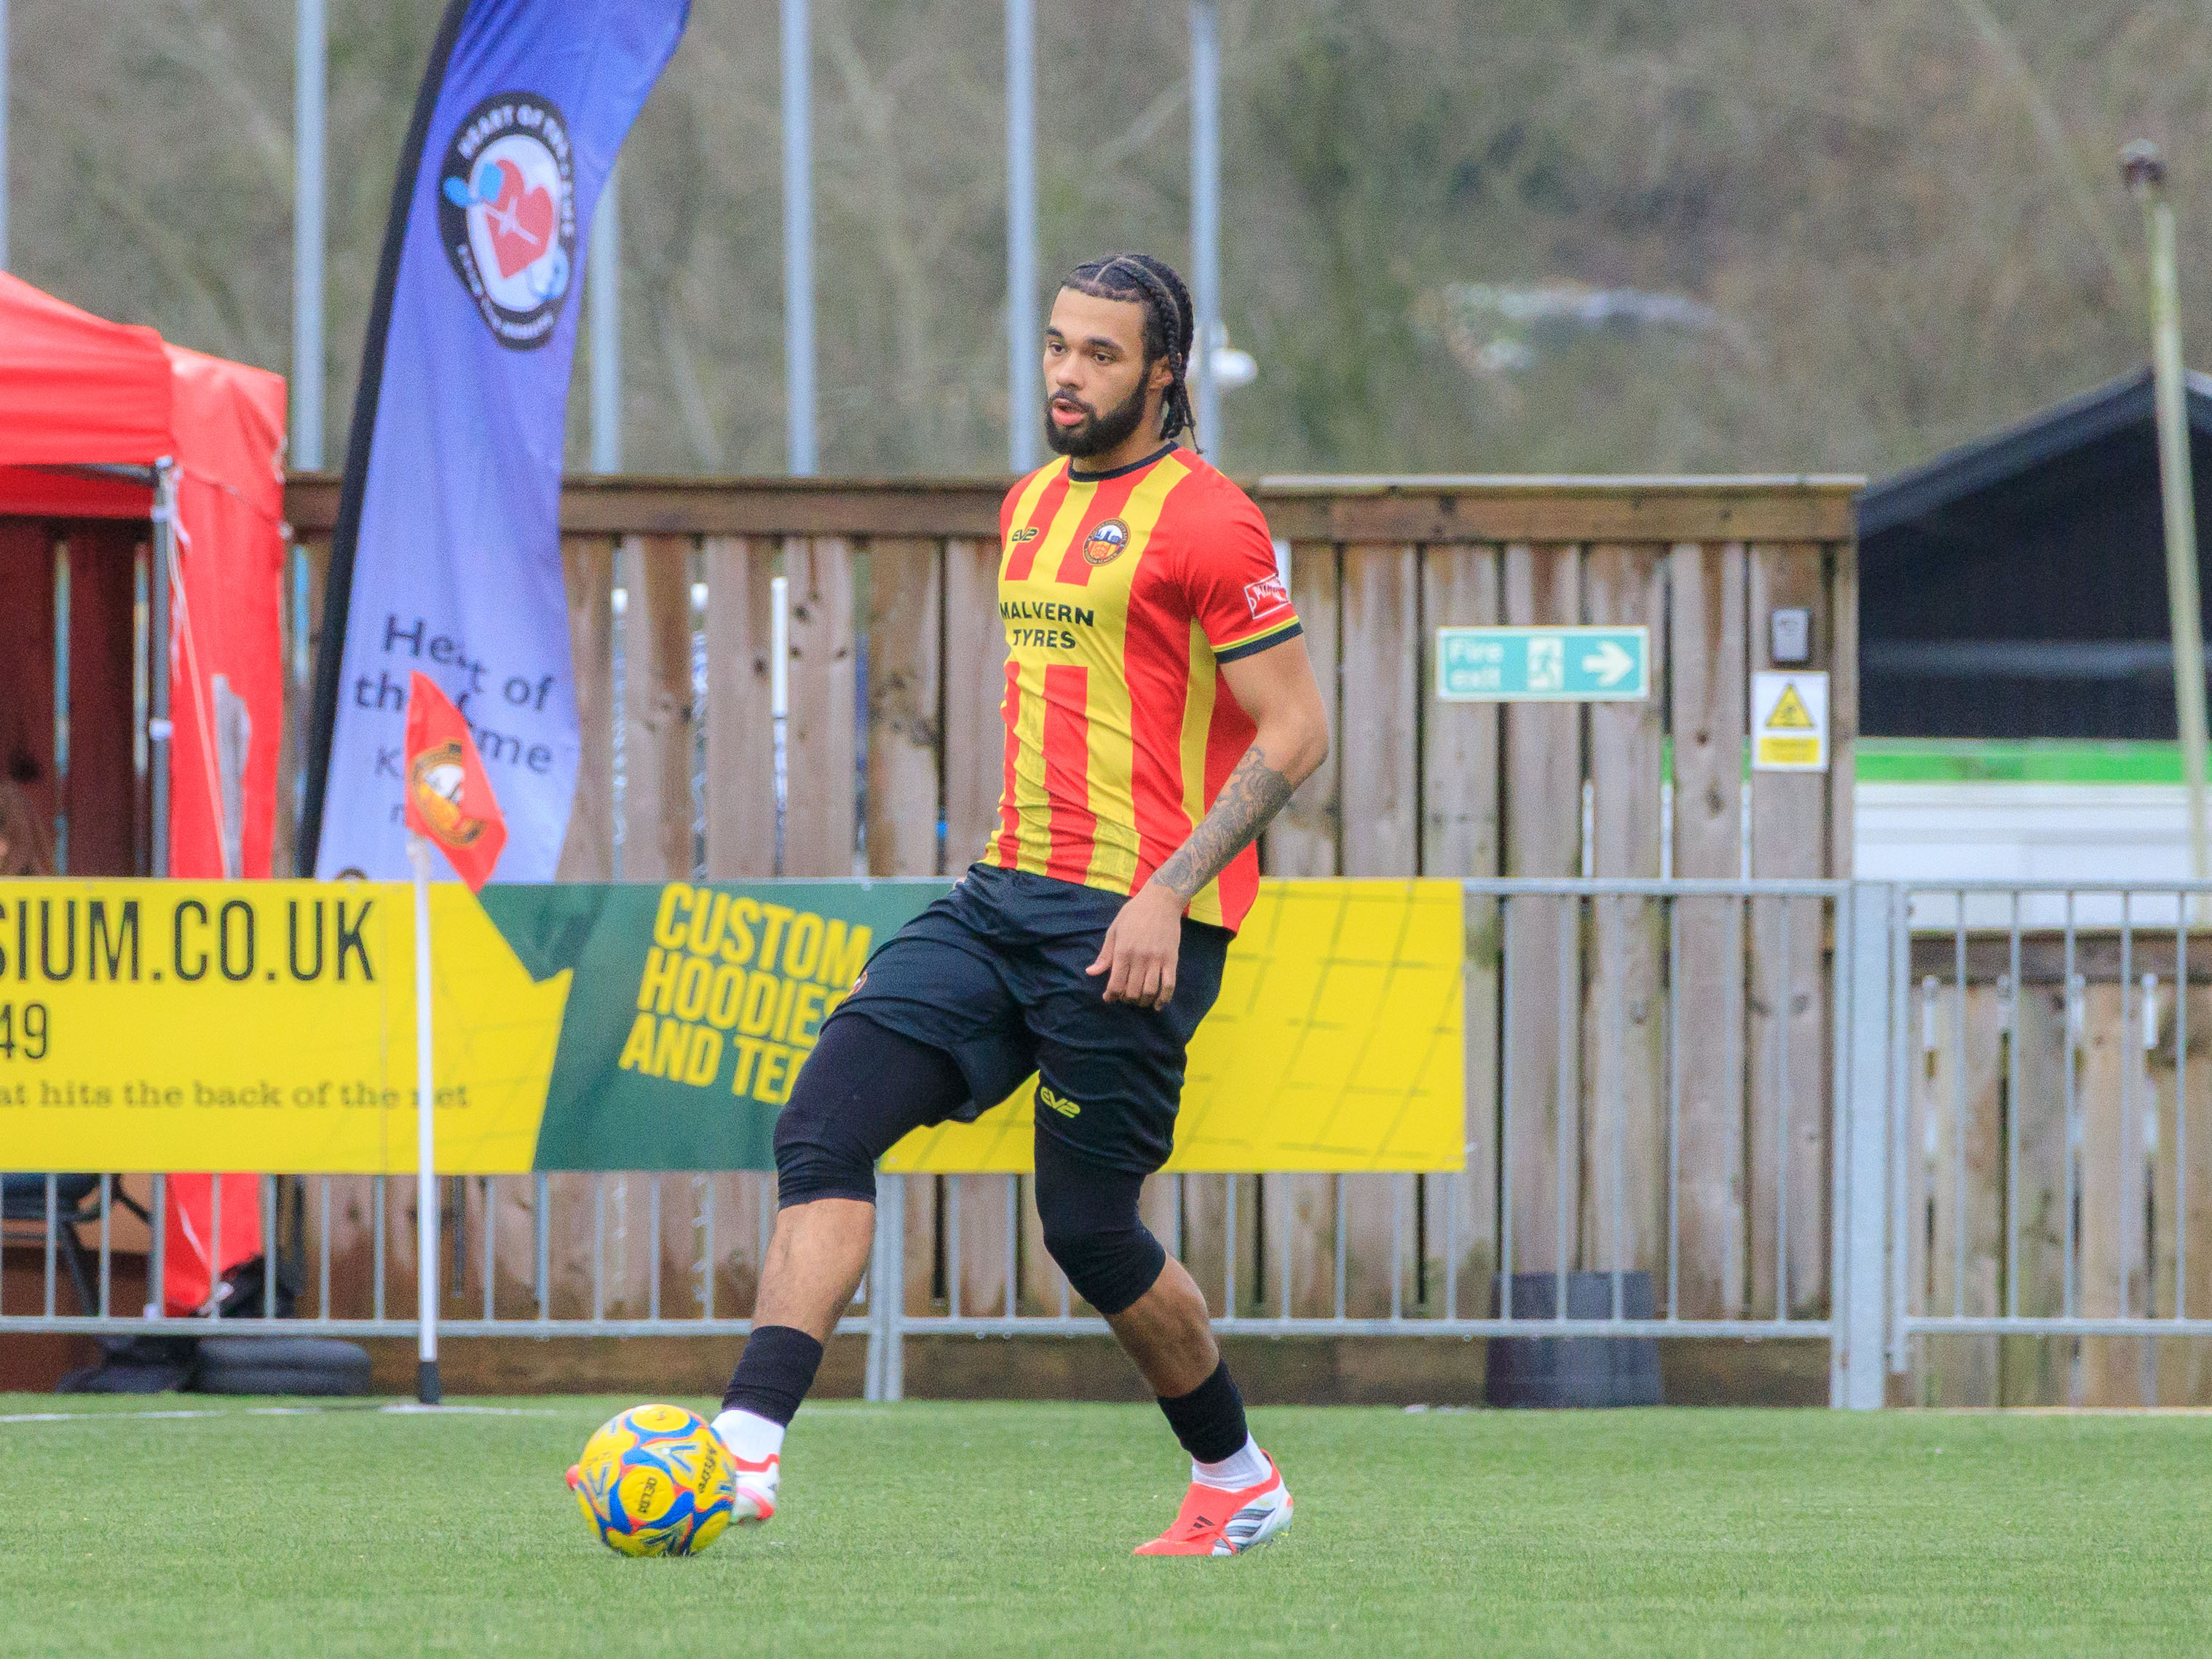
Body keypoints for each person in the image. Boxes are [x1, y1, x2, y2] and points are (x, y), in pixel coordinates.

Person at [710, 252, 1330, 1556]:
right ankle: (742, 1449)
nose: (1066, 372)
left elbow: (1297, 728)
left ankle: (1238, 1479)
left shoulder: (1212, 522)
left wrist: (1165, 891)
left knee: (1089, 1231)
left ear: (1164, 371)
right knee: (822, 1121)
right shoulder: (1030, 503)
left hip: (1136, 924)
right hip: (1000, 899)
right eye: (1056, 344)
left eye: (1100, 353)